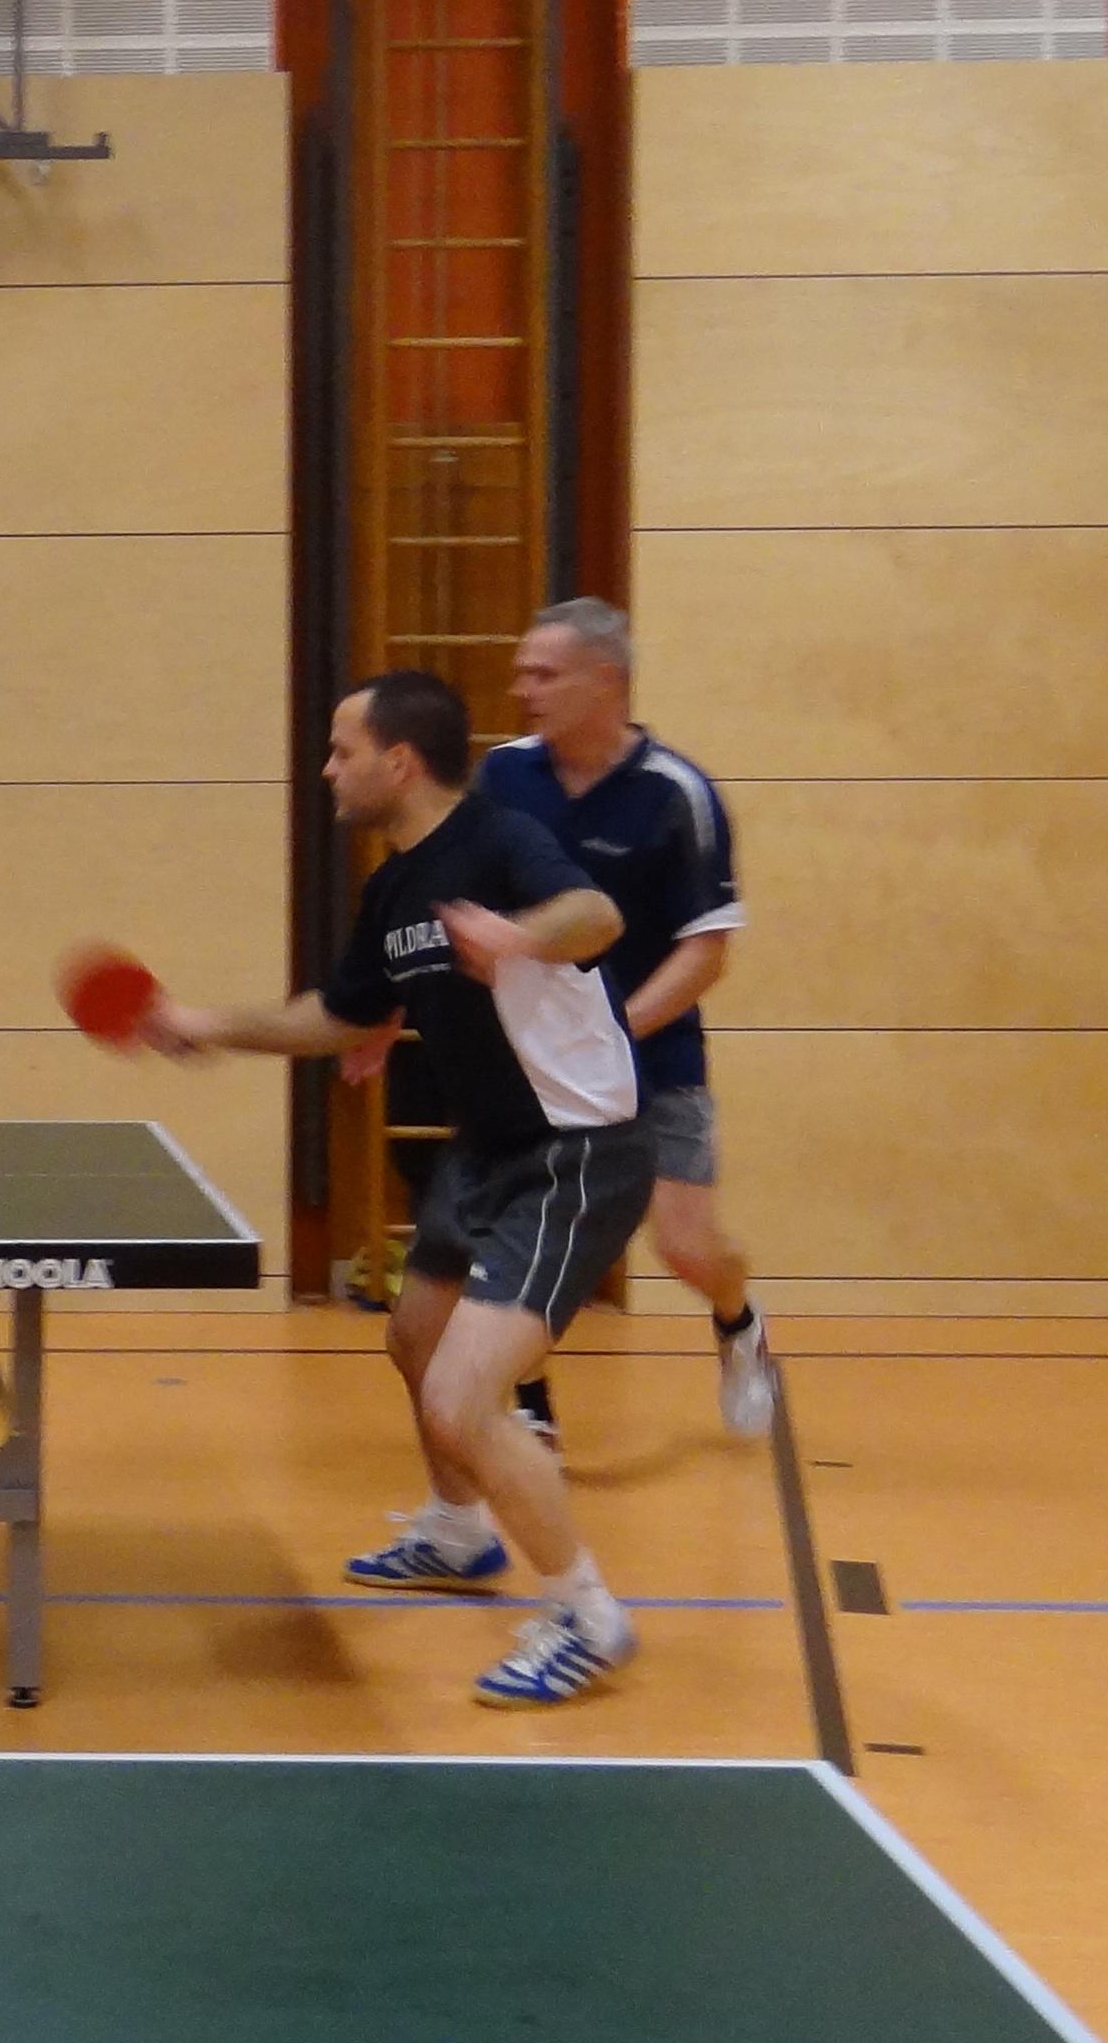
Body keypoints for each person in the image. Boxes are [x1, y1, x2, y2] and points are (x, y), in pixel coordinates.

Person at [112, 669, 655, 1707]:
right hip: (485, 1147)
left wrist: (519, 938)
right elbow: (338, 1014)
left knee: (463, 1395)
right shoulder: (394, 888)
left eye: (342, 750)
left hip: (573, 1153)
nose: (327, 769)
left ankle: (586, 1616)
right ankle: (457, 1530)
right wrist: (201, 1025)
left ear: (399, 762)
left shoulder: (499, 841)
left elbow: (596, 915)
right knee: (413, 1338)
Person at [482, 597, 774, 1436]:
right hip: (534, 1063)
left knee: (685, 1247)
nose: (523, 689)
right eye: (521, 673)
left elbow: (706, 950)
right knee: (524, 1237)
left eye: (544, 674)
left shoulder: (678, 794)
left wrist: (613, 1034)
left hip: (655, 1056)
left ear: (605, 681)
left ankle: (739, 1323)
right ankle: (531, 1404)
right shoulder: (502, 777)